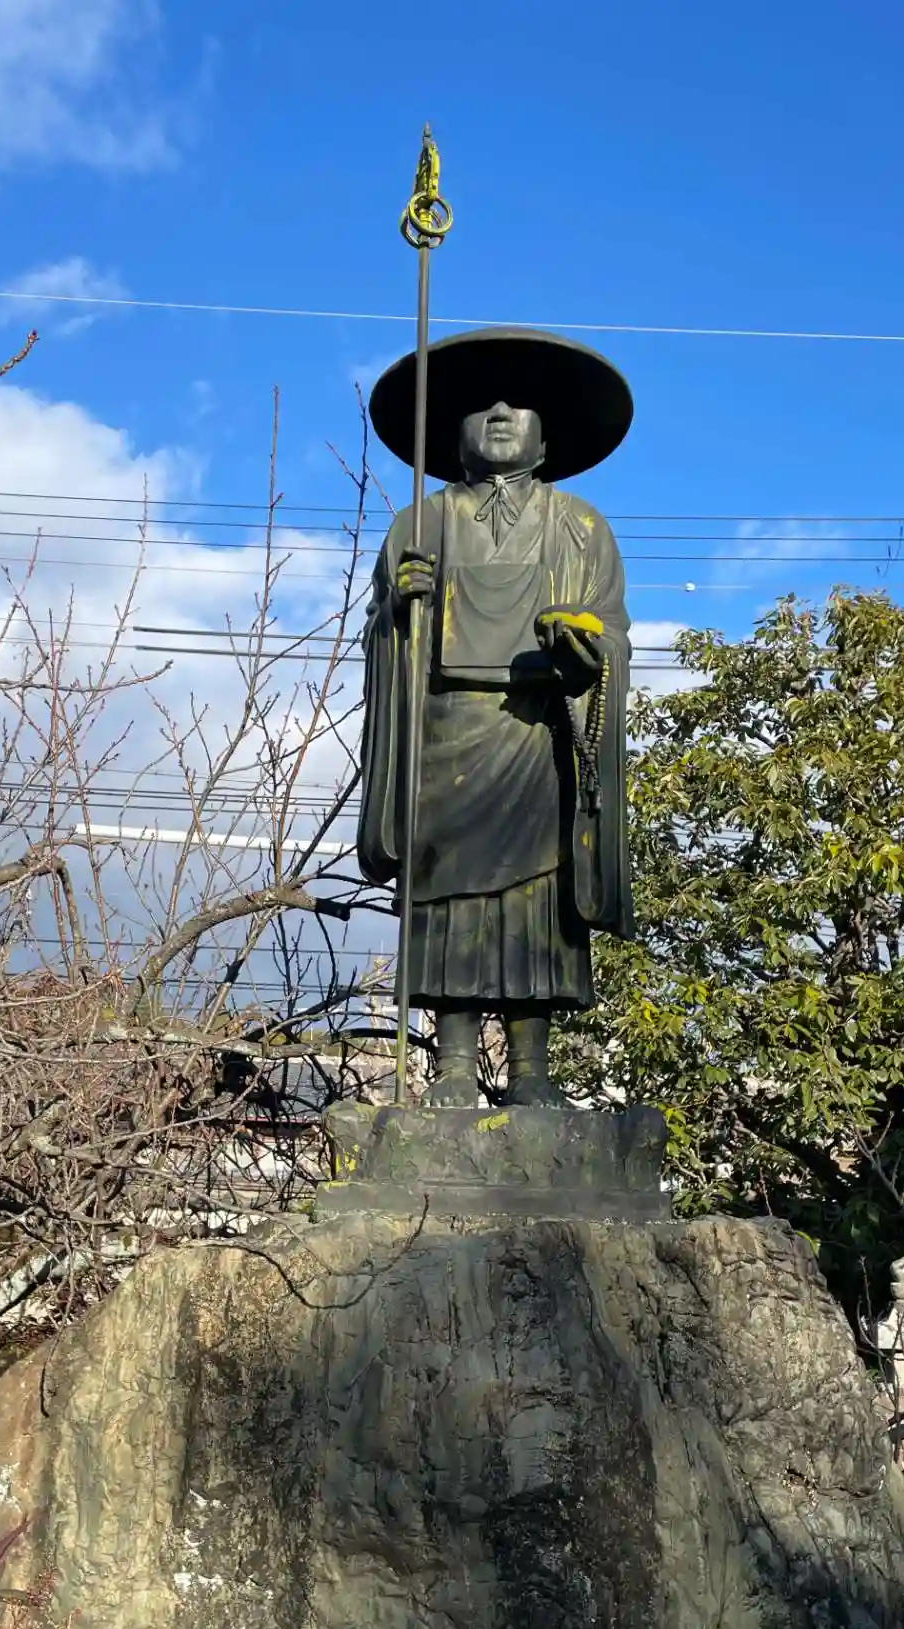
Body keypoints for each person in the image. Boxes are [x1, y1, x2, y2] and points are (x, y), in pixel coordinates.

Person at [357, 327, 635, 1107]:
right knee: (447, 899)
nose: (502, 412)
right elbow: (380, 636)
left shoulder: (580, 526)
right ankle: (450, 1067)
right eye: (483, 405)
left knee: (535, 904)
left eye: (521, 405)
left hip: (539, 733)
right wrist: (399, 615)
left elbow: (612, 635)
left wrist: (587, 651)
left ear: (549, 438)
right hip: (443, 735)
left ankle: (533, 1073)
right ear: (454, 434)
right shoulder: (420, 524)